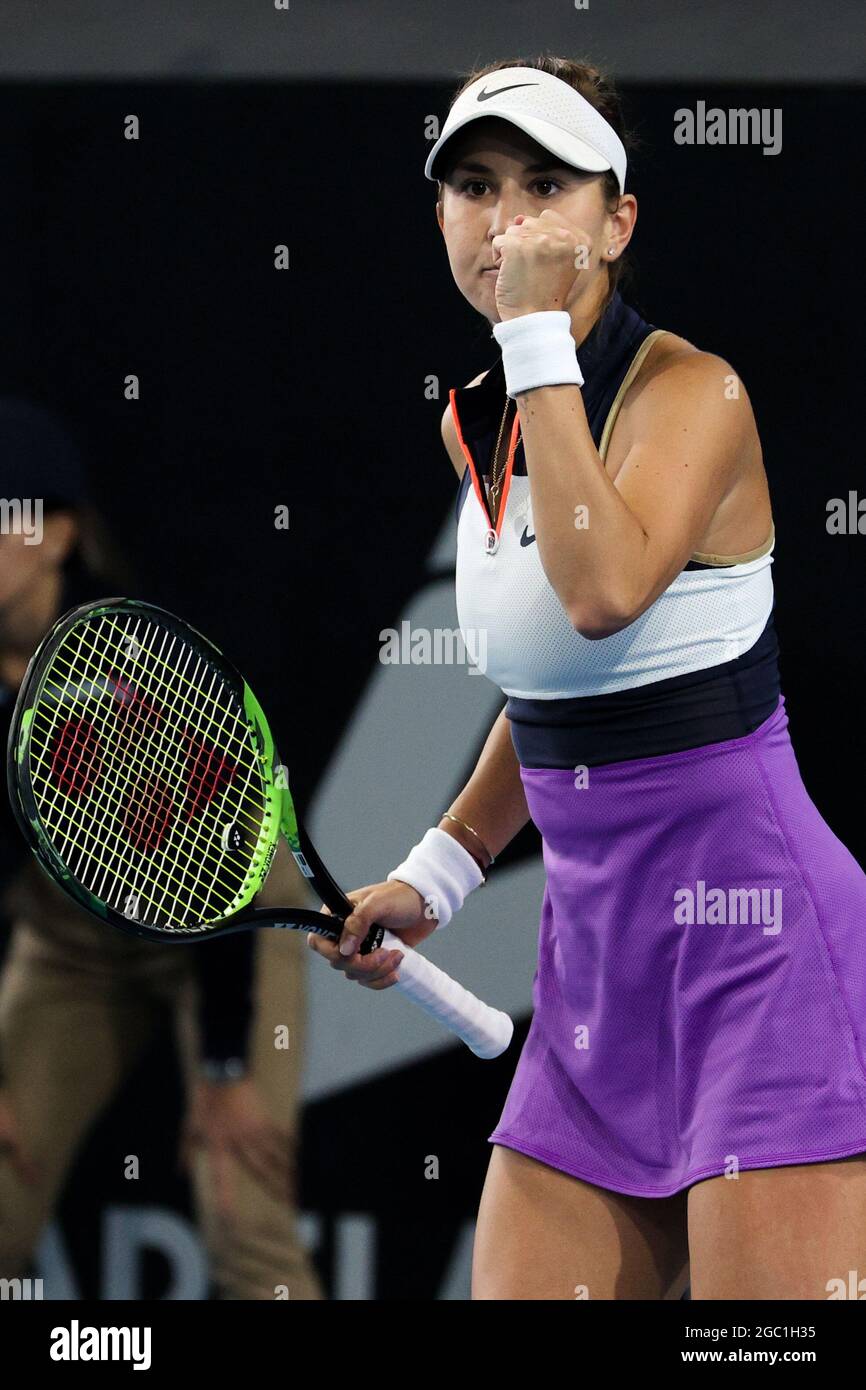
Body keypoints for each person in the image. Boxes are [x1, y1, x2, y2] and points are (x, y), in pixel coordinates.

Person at [307, 54, 866, 1300]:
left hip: (759, 961)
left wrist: (530, 340)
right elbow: (558, 688)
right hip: (595, 980)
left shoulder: (690, 391)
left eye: (544, 184)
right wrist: (440, 871)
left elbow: (603, 592)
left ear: (615, 221)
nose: (504, 219)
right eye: (471, 184)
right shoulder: (493, 421)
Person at [0, 398, 322, 1299]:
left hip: (225, 931)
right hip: (69, 945)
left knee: (245, 1225)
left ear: (56, 535)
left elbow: (221, 879)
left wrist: (225, 1071)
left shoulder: (136, 670)